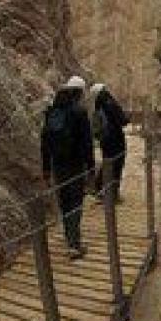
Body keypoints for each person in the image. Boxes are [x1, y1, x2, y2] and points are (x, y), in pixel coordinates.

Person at [41, 75, 95, 259]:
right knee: (75, 203)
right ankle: (74, 244)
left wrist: (46, 169)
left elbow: (45, 141)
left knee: (64, 202)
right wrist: (91, 168)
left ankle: (69, 237)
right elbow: (87, 143)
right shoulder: (79, 112)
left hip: (57, 165)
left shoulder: (51, 111)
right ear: (79, 92)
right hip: (75, 165)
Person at [91, 83, 130, 202]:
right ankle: (112, 194)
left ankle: (100, 189)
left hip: (105, 141)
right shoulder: (110, 103)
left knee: (107, 164)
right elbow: (123, 120)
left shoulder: (98, 107)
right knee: (117, 165)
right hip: (116, 139)